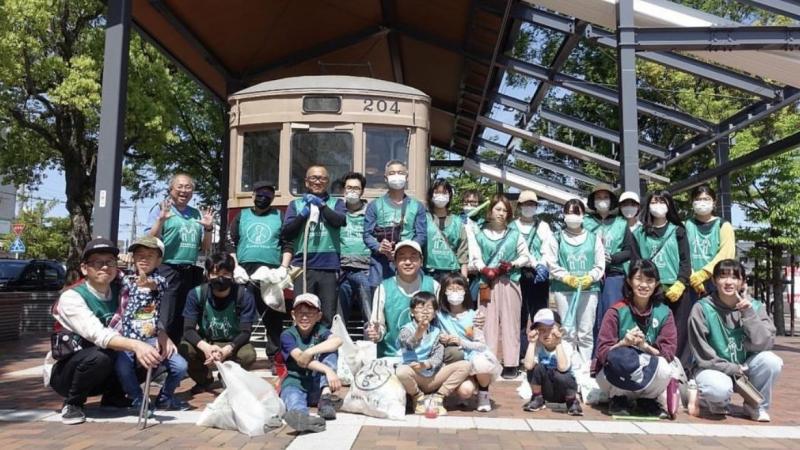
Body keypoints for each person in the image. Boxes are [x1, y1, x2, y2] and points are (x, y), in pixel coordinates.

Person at [47, 239, 162, 425]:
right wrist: (137, 346)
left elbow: (146, 314)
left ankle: (114, 396)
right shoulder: (72, 297)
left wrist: (162, 338)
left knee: (152, 352)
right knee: (103, 355)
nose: (105, 267)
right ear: (84, 268)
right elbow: (99, 335)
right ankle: (73, 403)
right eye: (97, 262)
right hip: (69, 372)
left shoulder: (123, 291)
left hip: (104, 368)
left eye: (110, 262)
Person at [687, 259, 782, 422]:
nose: (729, 282)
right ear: (714, 281)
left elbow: (764, 343)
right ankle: (710, 400)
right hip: (714, 368)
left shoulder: (755, 307)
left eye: (735, 277)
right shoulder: (702, 308)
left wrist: (748, 314)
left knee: (772, 361)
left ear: (743, 282)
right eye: (723, 276)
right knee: (718, 390)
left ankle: (756, 406)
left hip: (745, 368)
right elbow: (702, 353)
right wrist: (732, 368)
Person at [594, 260, 679, 418]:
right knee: (622, 357)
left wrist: (644, 346)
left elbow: (668, 353)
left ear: (656, 284)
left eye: (649, 280)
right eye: (639, 279)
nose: (644, 285)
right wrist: (623, 343)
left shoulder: (664, 312)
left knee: (666, 368)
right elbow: (602, 352)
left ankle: (647, 400)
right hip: (614, 377)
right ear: (629, 281)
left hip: (648, 374)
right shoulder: (616, 311)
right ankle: (618, 399)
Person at [115, 236, 189, 412]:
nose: (144, 259)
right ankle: (138, 398)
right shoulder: (125, 278)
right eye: (139, 255)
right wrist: (119, 257)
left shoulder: (161, 279)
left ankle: (165, 397)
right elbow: (110, 269)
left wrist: (147, 283)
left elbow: (156, 285)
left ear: (159, 260)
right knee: (122, 367)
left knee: (180, 366)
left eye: (150, 255)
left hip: (151, 338)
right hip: (127, 338)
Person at [146, 173, 215, 343]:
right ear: (171, 189)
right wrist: (161, 220)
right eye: (180, 186)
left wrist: (208, 229)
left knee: (186, 317)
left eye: (188, 187)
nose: (184, 190)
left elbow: (204, 248)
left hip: (191, 270)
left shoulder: (196, 213)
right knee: (166, 317)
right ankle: (158, 355)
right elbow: (149, 241)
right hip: (167, 268)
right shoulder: (160, 208)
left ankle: (179, 356)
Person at [227, 181, 292, 356]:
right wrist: (236, 267)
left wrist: (283, 268)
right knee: (243, 313)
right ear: (253, 195)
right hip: (244, 271)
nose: (263, 198)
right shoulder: (241, 216)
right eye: (260, 194)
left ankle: (275, 357)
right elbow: (230, 242)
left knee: (273, 315)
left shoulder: (280, 216)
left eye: (268, 196)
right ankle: (238, 355)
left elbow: (288, 244)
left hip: (270, 272)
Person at [470, 194, 531, 379]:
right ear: (490, 211)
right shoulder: (480, 233)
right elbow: (475, 256)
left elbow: (525, 255)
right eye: (498, 209)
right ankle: (488, 359)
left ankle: (511, 363)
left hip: (509, 281)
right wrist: (484, 268)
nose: (501, 213)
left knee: (511, 322)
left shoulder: (514, 234)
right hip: (486, 282)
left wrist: (512, 264)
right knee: (486, 322)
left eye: (505, 210)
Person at [179, 253, 257, 393]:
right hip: (206, 341)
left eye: (225, 273)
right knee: (184, 348)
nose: (220, 278)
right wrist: (206, 348)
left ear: (232, 275)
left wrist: (228, 349)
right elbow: (188, 329)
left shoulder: (244, 295)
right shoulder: (196, 294)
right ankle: (203, 379)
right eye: (215, 274)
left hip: (232, 343)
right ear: (208, 275)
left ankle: (227, 377)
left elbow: (246, 331)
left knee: (248, 354)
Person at [281, 165, 347, 327]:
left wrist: (322, 206)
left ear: (327, 181)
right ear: (306, 182)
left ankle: (324, 347)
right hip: (303, 267)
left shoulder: (336, 202)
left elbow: (339, 221)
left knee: (327, 312)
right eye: (314, 178)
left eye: (322, 178)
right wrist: (303, 214)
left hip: (328, 267)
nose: (318, 181)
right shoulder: (295, 205)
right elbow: (287, 232)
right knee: (303, 311)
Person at [543, 199, 605, 368]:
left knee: (585, 332)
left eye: (576, 212)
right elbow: (550, 262)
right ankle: (569, 365)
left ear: (583, 215)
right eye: (569, 212)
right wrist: (566, 277)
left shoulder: (593, 238)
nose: (572, 216)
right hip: (563, 290)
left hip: (588, 290)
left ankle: (585, 368)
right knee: (568, 331)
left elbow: (600, 264)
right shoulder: (556, 237)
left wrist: (590, 277)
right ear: (564, 215)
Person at [634, 190, 691, 367]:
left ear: (669, 205)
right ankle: (653, 363)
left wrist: (681, 282)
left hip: (676, 289)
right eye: (654, 201)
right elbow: (636, 263)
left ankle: (677, 367)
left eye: (662, 201)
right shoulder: (640, 233)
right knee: (652, 326)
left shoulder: (678, 231)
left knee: (679, 329)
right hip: (651, 289)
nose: (658, 205)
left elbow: (685, 260)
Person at [395, 291, 471, 416]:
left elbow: (438, 357)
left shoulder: (436, 332)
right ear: (412, 312)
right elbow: (408, 344)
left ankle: (439, 397)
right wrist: (419, 332)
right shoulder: (406, 329)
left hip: (432, 375)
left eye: (429, 308)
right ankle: (418, 397)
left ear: (435, 313)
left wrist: (426, 365)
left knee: (465, 365)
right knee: (401, 371)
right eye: (420, 308)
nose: (425, 311)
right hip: (414, 374)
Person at [583, 184, 635, 356]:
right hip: (590, 277)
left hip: (614, 276)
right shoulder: (585, 221)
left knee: (611, 314)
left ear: (612, 201)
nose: (602, 201)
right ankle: (592, 356)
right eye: (598, 197)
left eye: (606, 197)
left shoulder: (621, 223)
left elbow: (629, 250)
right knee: (589, 316)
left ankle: (612, 352)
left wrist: (612, 258)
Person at [436, 273, 500, 412]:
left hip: (472, 358)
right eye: (450, 289)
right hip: (452, 360)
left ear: (465, 291)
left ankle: (483, 394)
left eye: (458, 289)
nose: (455, 293)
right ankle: (452, 393)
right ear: (444, 292)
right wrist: (442, 338)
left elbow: (481, 345)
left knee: (481, 364)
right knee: (463, 389)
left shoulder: (474, 315)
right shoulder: (439, 315)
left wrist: (461, 342)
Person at [280, 293, 343, 433]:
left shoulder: (320, 330)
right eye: (300, 313)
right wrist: (329, 371)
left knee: (331, 350)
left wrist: (309, 352)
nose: (304, 317)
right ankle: (303, 419)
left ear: (318, 316)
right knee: (293, 399)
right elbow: (301, 360)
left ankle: (325, 398)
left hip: (317, 385)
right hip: (295, 382)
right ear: (293, 315)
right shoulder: (287, 335)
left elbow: (338, 341)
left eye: (310, 313)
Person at [366, 240, 440, 358]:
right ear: (394, 262)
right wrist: (376, 333)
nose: (408, 262)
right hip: (393, 356)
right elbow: (378, 325)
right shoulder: (383, 288)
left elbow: (441, 321)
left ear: (421, 261)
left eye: (413, 257)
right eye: (402, 258)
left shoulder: (434, 285)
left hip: (427, 357)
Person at [363, 160, 427, 287]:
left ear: (407, 177)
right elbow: (367, 234)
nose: (396, 175)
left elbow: (421, 235)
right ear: (386, 178)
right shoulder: (374, 205)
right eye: (392, 173)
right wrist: (379, 247)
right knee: (379, 299)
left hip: (407, 262)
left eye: (400, 172)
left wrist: (404, 249)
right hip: (381, 263)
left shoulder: (417, 206)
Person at [509, 190, 552, 358]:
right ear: (519, 206)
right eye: (526, 204)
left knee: (540, 315)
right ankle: (519, 354)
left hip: (539, 277)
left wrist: (542, 266)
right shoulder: (512, 226)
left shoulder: (543, 226)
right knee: (518, 317)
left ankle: (541, 352)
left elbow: (548, 248)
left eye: (532, 204)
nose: (529, 207)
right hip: (518, 276)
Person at [522, 308, 582, 416]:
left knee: (562, 374)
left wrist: (558, 343)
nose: (546, 334)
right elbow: (528, 365)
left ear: (560, 331)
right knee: (535, 368)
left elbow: (563, 368)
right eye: (541, 330)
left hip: (564, 391)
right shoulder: (538, 347)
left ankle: (572, 402)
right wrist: (531, 343)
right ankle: (537, 398)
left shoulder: (565, 346)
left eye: (550, 329)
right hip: (547, 390)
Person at [685, 185, 736, 298]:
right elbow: (681, 253)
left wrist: (704, 273)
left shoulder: (723, 225)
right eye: (698, 199)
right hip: (690, 281)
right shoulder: (686, 225)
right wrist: (691, 274)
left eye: (706, 199)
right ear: (692, 202)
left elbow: (726, 253)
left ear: (714, 202)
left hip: (715, 281)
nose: (702, 202)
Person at [338, 172, 374, 331]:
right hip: (341, 269)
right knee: (338, 313)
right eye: (349, 188)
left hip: (364, 268)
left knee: (370, 311)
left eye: (356, 188)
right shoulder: (337, 211)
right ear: (343, 190)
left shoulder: (371, 213)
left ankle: (372, 339)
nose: (352, 191)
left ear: (362, 191)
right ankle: (338, 343)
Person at [424, 178, 468, 280]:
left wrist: (464, 278)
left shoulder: (457, 221)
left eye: (444, 192)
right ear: (431, 195)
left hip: (451, 273)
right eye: (437, 192)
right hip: (428, 272)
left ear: (449, 195)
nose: (440, 195)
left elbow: (463, 251)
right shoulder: (424, 218)